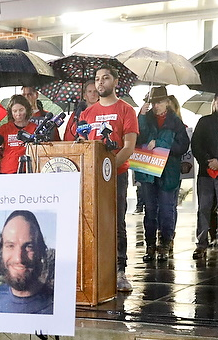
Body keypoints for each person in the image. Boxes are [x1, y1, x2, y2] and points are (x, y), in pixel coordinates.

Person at [78, 65, 139, 293]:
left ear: (115, 82)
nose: (100, 82)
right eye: (97, 79)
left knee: (116, 223)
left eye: (105, 78)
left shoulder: (126, 110)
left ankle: (120, 270)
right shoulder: (87, 113)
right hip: (91, 176)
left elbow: (129, 146)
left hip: (116, 174)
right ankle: (94, 267)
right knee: (91, 221)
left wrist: (108, 168)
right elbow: (82, 143)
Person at [136, 86, 190, 264]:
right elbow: (137, 137)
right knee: (150, 210)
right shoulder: (145, 118)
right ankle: (150, 245)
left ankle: (165, 243)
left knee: (167, 210)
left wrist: (161, 145)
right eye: (153, 102)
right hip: (148, 172)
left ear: (167, 102)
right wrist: (141, 117)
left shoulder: (176, 122)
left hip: (168, 172)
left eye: (159, 101)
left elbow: (183, 146)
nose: (156, 105)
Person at [0, 210, 54, 314]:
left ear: (40, 251)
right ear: (1, 250)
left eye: (29, 247)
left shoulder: (55, 306)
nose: (18, 258)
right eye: (10, 246)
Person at [191, 92, 218, 260]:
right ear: (214, 103)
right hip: (205, 172)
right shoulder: (204, 121)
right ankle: (201, 244)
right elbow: (196, 144)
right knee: (204, 208)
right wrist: (207, 161)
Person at [0, 95, 37, 174]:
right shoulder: (5, 128)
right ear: (11, 112)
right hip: (8, 170)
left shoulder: (34, 128)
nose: (18, 114)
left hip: (28, 170)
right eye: (15, 111)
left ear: (27, 109)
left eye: (21, 110)